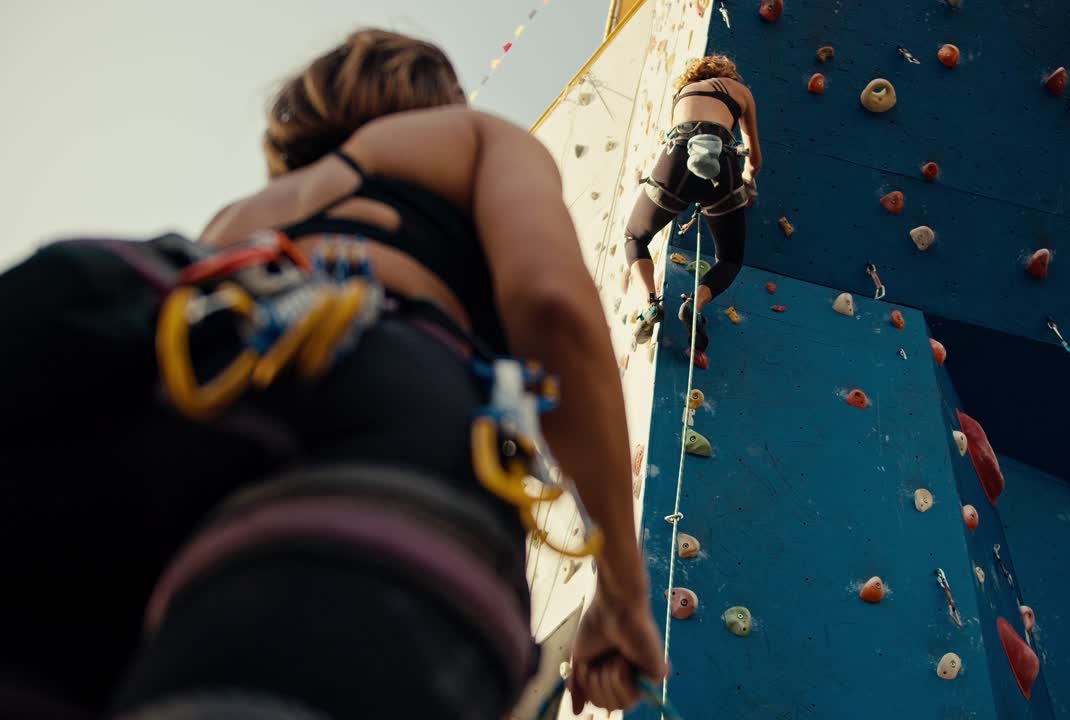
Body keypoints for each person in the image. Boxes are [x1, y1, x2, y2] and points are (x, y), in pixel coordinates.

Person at [0, 29, 664, 719]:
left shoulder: (240, 217)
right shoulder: (473, 138)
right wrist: (621, 590)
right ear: (436, 96)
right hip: (376, 401)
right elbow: (552, 307)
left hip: (127, 369)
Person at [626, 55, 762, 367]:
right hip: (722, 165)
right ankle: (695, 305)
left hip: (677, 159)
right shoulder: (740, 91)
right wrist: (746, 180)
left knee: (635, 237)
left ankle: (650, 304)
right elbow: (755, 159)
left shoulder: (681, 95)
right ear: (728, 74)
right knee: (729, 258)